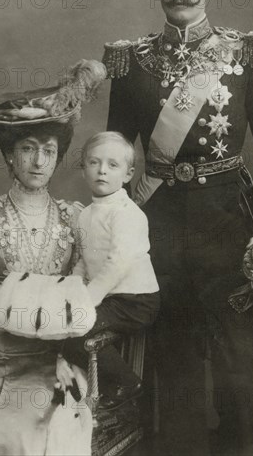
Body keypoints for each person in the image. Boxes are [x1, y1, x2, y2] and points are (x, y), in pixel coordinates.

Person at [103, 0, 253, 455]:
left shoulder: (245, 54)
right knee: (175, 371)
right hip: (160, 231)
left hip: (230, 230)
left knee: (236, 373)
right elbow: (116, 159)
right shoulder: (133, 63)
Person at [0, 59, 106, 456]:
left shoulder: (74, 216)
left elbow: (85, 289)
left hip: (46, 359)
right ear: (9, 155)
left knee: (33, 432)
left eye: (48, 151)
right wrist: (26, 297)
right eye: (28, 149)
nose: (38, 162)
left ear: (58, 156)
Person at [58, 131, 160, 410]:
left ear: (128, 174)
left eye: (113, 165)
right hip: (111, 297)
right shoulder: (86, 214)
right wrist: (71, 288)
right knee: (64, 327)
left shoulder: (127, 214)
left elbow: (118, 263)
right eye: (94, 162)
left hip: (136, 300)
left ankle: (127, 382)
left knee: (76, 330)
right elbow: (84, 260)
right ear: (83, 170)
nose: (102, 170)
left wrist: (88, 299)